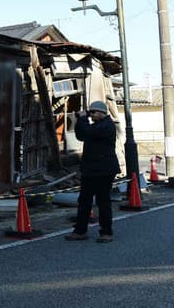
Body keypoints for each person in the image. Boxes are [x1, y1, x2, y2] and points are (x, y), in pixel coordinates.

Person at [65, 100, 121, 243]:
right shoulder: (96, 125)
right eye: (90, 113)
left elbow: (88, 131)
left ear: (102, 112)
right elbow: (81, 135)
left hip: (104, 169)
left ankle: (106, 232)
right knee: (84, 201)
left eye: (93, 112)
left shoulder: (107, 125)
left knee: (103, 202)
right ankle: (80, 231)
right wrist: (79, 120)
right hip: (91, 169)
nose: (91, 115)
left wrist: (83, 118)